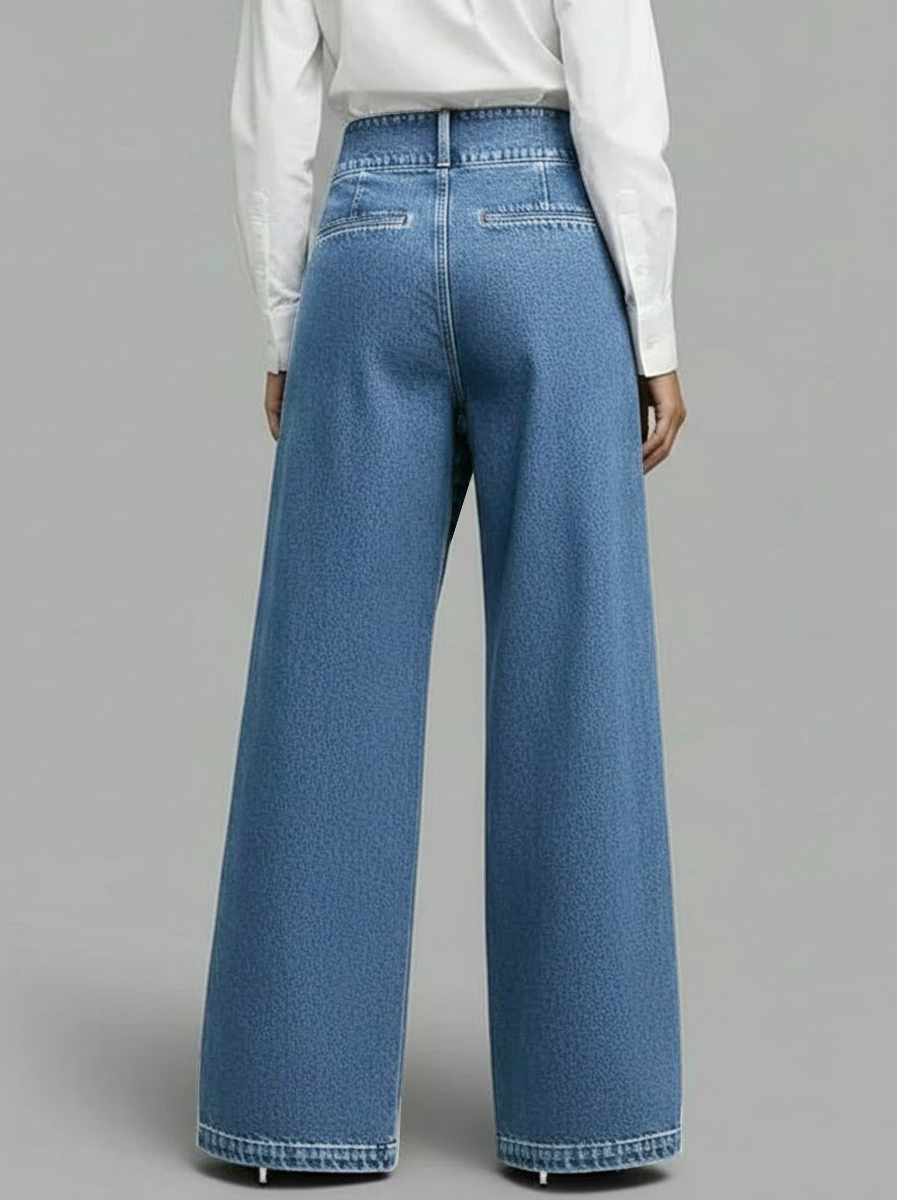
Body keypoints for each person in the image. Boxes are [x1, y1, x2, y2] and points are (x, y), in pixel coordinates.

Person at [197, 0, 686, 1185]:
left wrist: (285, 324)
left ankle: (293, 1116)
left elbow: (272, 109)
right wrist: (655, 326)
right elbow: (615, 94)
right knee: (576, 683)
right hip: (548, 236)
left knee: (324, 692)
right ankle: (588, 1119)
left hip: (366, 238)